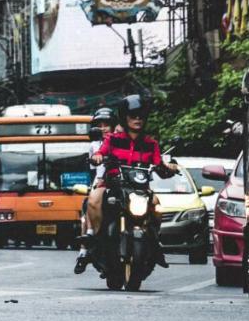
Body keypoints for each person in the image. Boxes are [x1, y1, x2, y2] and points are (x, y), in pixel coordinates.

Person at [78, 95, 176, 272]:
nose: (137, 119)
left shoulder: (151, 143)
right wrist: (98, 157)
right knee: (93, 199)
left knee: (157, 206)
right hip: (112, 186)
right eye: (133, 116)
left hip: (140, 190)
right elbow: (99, 153)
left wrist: (169, 168)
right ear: (124, 117)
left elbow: (159, 165)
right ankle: (95, 237)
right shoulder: (112, 139)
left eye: (141, 116)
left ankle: (156, 241)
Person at [74, 107, 117, 274]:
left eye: (107, 124)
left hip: (121, 183)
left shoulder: (122, 141)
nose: (103, 128)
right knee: (90, 205)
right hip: (101, 182)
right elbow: (95, 168)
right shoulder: (94, 145)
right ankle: (84, 250)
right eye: (100, 124)